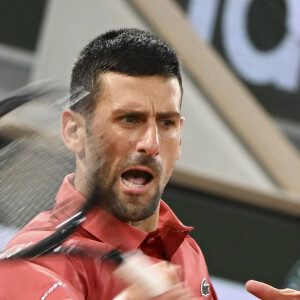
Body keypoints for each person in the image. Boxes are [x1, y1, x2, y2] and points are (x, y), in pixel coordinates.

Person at [0, 28, 299, 300]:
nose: (151, 144)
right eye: (130, 119)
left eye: (167, 123)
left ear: (180, 137)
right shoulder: (30, 268)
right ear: (74, 131)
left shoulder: (184, 249)